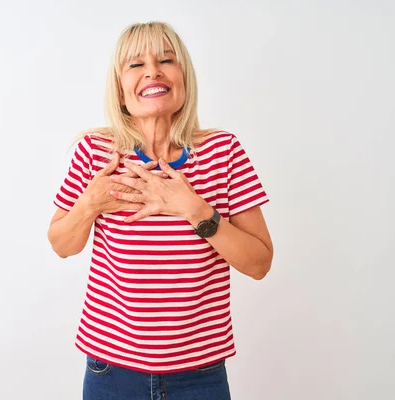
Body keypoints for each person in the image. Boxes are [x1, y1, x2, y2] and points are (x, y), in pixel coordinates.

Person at [48, 21, 273, 400]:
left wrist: (195, 209)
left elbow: (259, 263)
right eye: (135, 64)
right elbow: (62, 244)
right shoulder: (95, 152)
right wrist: (89, 203)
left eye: (166, 59)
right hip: (111, 369)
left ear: (183, 80)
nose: (153, 70)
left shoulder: (223, 153)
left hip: (200, 374)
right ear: (120, 90)